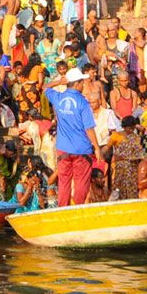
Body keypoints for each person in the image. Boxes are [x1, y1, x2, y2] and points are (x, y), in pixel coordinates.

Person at [43, 68, 101, 206]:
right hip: (82, 149)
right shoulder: (83, 103)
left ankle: (63, 209)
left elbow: (45, 87)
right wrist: (97, 148)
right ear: (77, 84)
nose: (83, 85)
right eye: (82, 82)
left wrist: (58, 82)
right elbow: (89, 128)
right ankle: (77, 209)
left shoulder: (59, 97)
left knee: (64, 182)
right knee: (81, 182)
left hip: (63, 149)